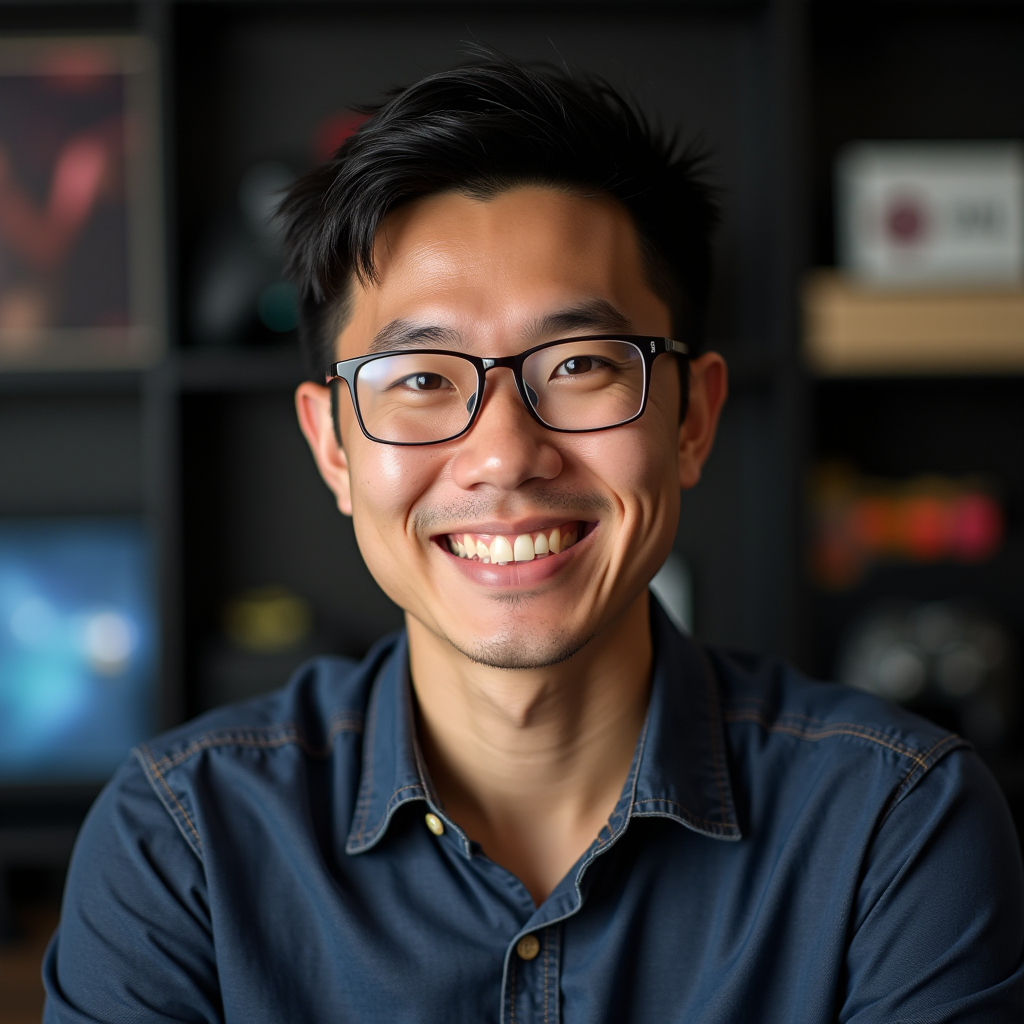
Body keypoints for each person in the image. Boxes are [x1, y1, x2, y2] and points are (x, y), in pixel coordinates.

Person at [43, 55, 1023, 1023]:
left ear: (693, 418)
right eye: (421, 379)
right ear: (331, 446)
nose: (504, 456)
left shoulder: (893, 824)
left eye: (581, 363)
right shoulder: (180, 843)